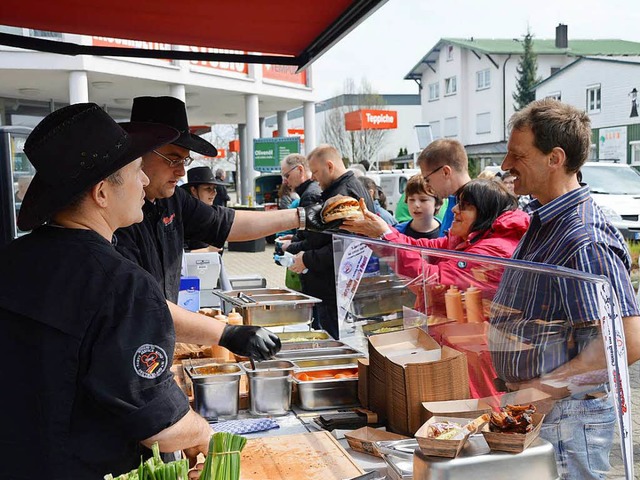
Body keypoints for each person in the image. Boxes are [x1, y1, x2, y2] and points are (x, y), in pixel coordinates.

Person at [0, 103, 212, 477]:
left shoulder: (14, 257)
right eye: (135, 173)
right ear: (101, 193)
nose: (145, 182)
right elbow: (158, 423)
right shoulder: (122, 284)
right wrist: (204, 432)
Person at [492, 98, 640, 479]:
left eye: (517, 155)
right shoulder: (545, 220)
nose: (506, 166)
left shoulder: (583, 237)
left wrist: (541, 391)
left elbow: (626, 340)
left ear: (554, 158)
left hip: (567, 420)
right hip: (548, 413)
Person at [114, 96, 323, 359]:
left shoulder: (172, 199)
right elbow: (141, 302)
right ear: (138, 153)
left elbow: (225, 222)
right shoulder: (118, 215)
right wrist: (225, 334)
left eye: (184, 161)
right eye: (172, 159)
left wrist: (301, 216)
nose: (180, 172)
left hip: (157, 340)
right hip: (126, 349)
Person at [342, 179, 530, 299]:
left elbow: (434, 281)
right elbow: (417, 247)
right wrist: (377, 233)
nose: (455, 210)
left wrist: (383, 236)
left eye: (465, 206)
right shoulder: (467, 239)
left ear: (485, 214)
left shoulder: (492, 250)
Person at [288, 144, 374, 338]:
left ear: (329, 166)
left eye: (316, 172)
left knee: (339, 342)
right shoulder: (345, 189)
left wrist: (307, 259)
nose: (313, 178)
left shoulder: (343, 196)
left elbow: (347, 247)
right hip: (335, 287)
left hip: (336, 290)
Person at [416, 139, 472, 236]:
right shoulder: (454, 200)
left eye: (427, 179)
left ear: (445, 172)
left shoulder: (476, 206)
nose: (427, 186)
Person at [181, 166, 225, 251]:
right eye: (208, 188)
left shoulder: (212, 213)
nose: (213, 193)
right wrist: (208, 250)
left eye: (214, 189)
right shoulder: (185, 217)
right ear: (193, 190)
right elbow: (180, 256)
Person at [394, 174, 442, 240]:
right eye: (411, 200)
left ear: (437, 204)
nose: (416, 205)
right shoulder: (396, 232)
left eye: (423, 200)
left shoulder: (447, 233)